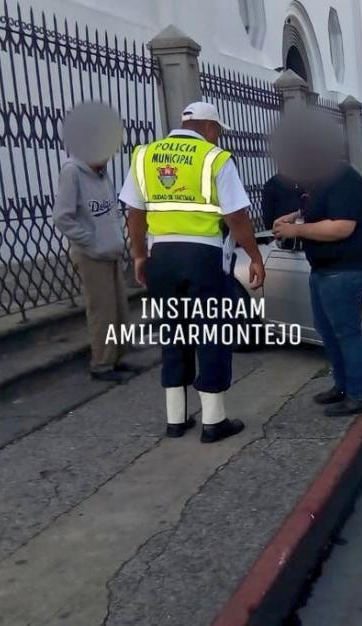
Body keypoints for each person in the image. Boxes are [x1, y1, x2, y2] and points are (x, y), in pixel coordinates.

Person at [119, 102, 266, 443]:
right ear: (210, 128)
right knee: (211, 332)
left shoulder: (144, 155)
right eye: (218, 131)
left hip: (161, 255)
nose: (218, 137)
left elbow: (135, 214)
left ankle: (176, 419)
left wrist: (140, 256)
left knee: (173, 333)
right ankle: (214, 422)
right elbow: (236, 216)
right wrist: (255, 256)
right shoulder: (215, 158)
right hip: (203, 255)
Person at [271, 108, 362, 417]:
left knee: (346, 333)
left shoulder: (344, 179)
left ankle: (359, 395)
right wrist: (293, 217)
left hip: (343, 270)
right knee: (328, 332)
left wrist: (296, 231)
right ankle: (342, 386)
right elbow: (318, 213)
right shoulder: (319, 181)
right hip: (324, 270)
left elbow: (342, 226)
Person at [53, 150, 131, 383]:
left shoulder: (101, 174)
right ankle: (102, 364)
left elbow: (110, 211)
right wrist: (91, 240)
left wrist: (115, 237)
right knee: (102, 311)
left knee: (119, 309)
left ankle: (117, 357)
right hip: (91, 254)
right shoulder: (72, 172)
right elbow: (62, 217)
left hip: (111, 250)